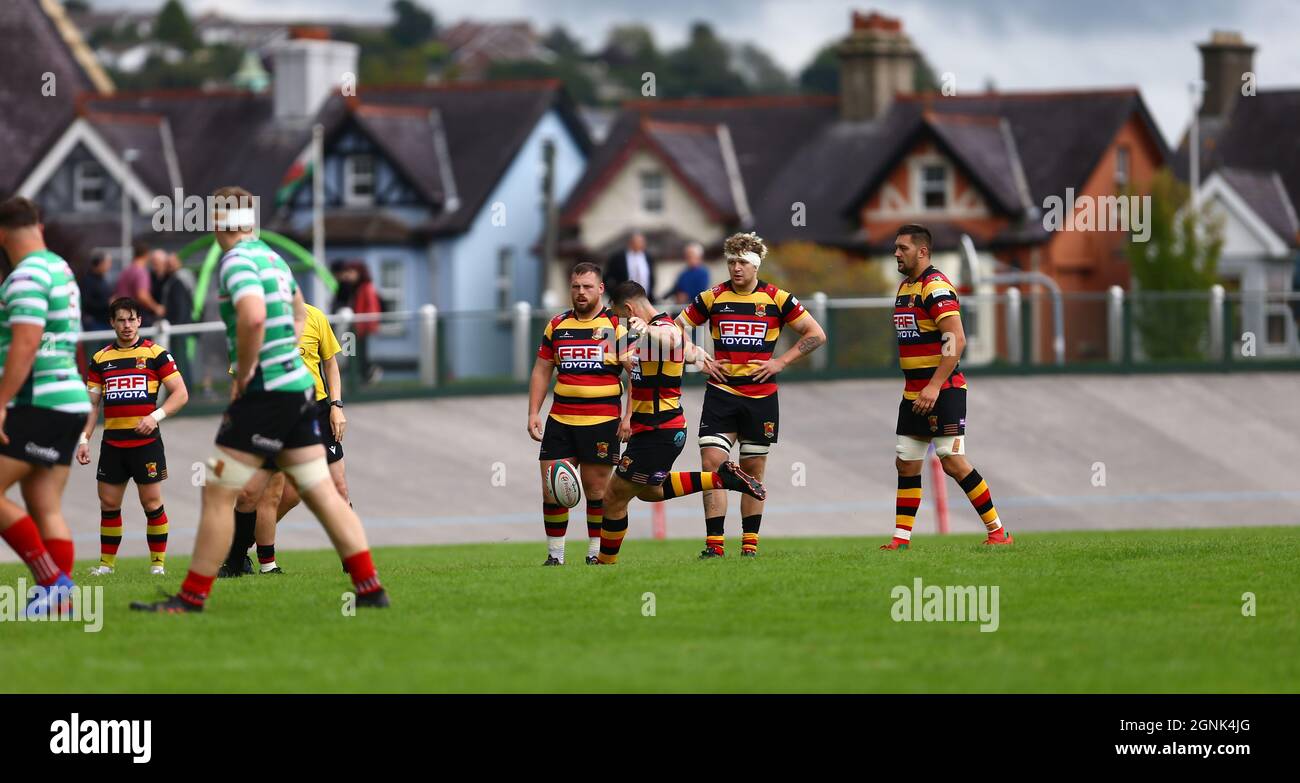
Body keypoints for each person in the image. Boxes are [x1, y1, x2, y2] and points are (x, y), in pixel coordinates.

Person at [130, 185, 388, 612]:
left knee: (217, 490)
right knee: (322, 491)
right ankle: (370, 590)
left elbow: (251, 317)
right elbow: (300, 313)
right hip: (298, 389)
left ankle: (190, 599)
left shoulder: (236, 261)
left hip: (266, 391)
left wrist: (247, 369)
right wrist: (284, 350)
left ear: (217, 221)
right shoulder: (273, 257)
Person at [676, 231, 826, 558]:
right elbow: (674, 329)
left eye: (743, 262)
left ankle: (749, 546)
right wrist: (698, 358)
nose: (736, 268)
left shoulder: (777, 299)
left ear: (756, 265)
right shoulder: (712, 297)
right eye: (731, 262)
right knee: (712, 464)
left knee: (753, 471)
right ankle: (714, 546)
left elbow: (816, 334)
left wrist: (780, 362)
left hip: (761, 399)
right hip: (721, 393)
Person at [593, 281, 766, 564]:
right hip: (655, 430)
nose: (622, 324)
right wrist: (612, 343)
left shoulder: (663, 328)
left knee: (613, 498)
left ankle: (604, 562)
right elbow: (666, 352)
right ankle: (722, 478)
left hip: (658, 431)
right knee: (649, 491)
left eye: (622, 317)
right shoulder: (643, 335)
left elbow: (672, 340)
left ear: (629, 309)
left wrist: (646, 331)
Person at [883, 224, 1013, 550]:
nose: (897, 253)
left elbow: (956, 338)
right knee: (906, 461)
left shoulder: (935, 286)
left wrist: (934, 385)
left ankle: (998, 532)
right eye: (896, 248)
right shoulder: (905, 287)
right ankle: (901, 540)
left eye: (903, 248)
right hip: (913, 391)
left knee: (951, 459)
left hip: (943, 389)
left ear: (922, 251)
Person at [0, 196, 90, 616]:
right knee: (44, 503)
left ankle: (54, 583)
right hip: (69, 399)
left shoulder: (26, 276)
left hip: (37, 401)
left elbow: (26, 342)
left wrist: (1, 401)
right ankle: (60, 603)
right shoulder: (60, 269)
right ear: (37, 222)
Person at [222, 301, 351, 576]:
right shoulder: (253, 322)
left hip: (315, 410)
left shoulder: (314, 316)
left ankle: (354, 562)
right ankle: (252, 561)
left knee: (327, 488)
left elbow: (330, 363)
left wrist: (336, 405)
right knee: (260, 492)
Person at [78, 297, 189, 575]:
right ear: (112, 323)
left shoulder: (156, 354)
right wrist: (84, 439)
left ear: (140, 320)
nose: (127, 325)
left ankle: (157, 566)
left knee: (151, 503)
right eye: (121, 320)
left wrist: (155, 417)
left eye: (131, 319)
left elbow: (181, 393)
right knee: (109, 504)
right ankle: (106, 566)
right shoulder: (100, 359)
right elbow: (92, 405)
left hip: (146, 445)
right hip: (113, 445)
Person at [527, 262, 627, 565]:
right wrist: (534, 412)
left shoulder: (615, 326)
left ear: (600, 289)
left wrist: (630, 417)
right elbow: (542, 370)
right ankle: (555, 556)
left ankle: (595, 553)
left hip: (601, 422)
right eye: (575, 287)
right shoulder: (558, 325)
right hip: (561, 420)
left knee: (597, 491)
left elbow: (637, 374)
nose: (580, 292)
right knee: (553, 489)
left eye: (587, 287)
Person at [157, 250, 197, 381]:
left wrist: (177, 324)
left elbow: (181, 305)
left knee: (181, 358)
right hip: (179, 325)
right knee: (181, 357)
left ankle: (185, 386)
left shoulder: (179, 279)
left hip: (179, 326)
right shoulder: (173, 279)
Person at [112, 241, 164, 327]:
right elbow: (142, 295)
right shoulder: (141, 271)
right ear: (146, 254)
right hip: (134, 316)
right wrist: (156, 308)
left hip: (121, 315)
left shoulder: (126, 271)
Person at [349, 262, 383, 384]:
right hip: (357, 327)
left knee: (361, 354)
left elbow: (371, 307)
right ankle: (362, 377)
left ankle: (368, 376)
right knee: (354, 353)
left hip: (362, 328)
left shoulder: (366, 287)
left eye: (352, 272)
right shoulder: (358, 287)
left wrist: (367, 326)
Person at [604, 232, 655, 300]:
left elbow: (651, 277)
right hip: (624, 298)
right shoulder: (618, 257)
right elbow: (607, 277)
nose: (643, 244)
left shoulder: (648, 256)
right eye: (639, 242)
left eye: (643, 242)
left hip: (645, 298)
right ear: (631, 243)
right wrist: (613, 294)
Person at [80, 251, 113, 332]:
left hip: (104, 322)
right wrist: (107, 303)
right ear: (100, 263)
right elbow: (86, 303)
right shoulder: (88, 281)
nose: (109, 266)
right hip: (95, 324)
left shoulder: (102, 279)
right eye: (107, 263)